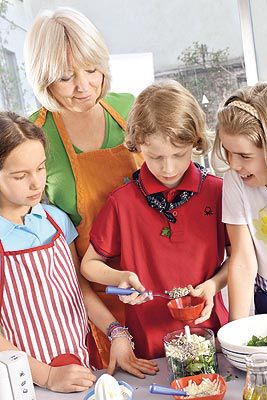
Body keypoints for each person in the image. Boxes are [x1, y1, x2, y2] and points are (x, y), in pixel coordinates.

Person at [0, 112, 158, 393]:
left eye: (41, 168)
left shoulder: (55, 220)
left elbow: (79, 290)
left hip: (79, 369)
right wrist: (47, 376)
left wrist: (116, 332)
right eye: (20, 176)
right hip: (24, 383)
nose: (36, 183)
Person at [24, 7, 143, 367]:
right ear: (43, 78)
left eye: (91, 69)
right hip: (93, 301)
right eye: (65, 77)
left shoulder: (133, 109)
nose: (83, 86)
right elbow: (57, 261)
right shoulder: (34, 138)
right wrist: (113, 330)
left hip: (154, 287)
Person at [81, 80, 230, 360]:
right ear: (138, 146)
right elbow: (89, 265)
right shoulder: (122, 202)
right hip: (148, 346)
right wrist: (119, 277)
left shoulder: (217, 192)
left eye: (179, 154)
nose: (169, 168)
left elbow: (238, 258)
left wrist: (213, 285)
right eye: (155, 157)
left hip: (211, 334)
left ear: (195, 143)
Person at [211, 83, 267, 320]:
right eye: (228, 152)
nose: (234, 165)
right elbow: (243, 260)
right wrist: (237, 335)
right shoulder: (235, 181)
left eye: (245, 156)